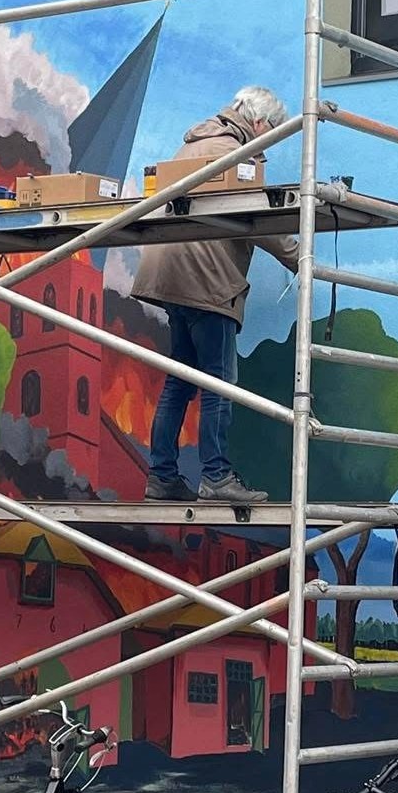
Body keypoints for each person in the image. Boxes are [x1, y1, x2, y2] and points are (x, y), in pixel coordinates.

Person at [129, 86, 302, 504]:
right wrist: (302, 259)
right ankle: (216, 476)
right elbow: (260, 219)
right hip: (206, 281)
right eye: (273, 132)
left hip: (170, 276)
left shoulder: (192, 145)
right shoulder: (237, 155)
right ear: (259, 123)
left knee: (180, 381)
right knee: (219, 383)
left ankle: (161, 476)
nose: (270, 143)